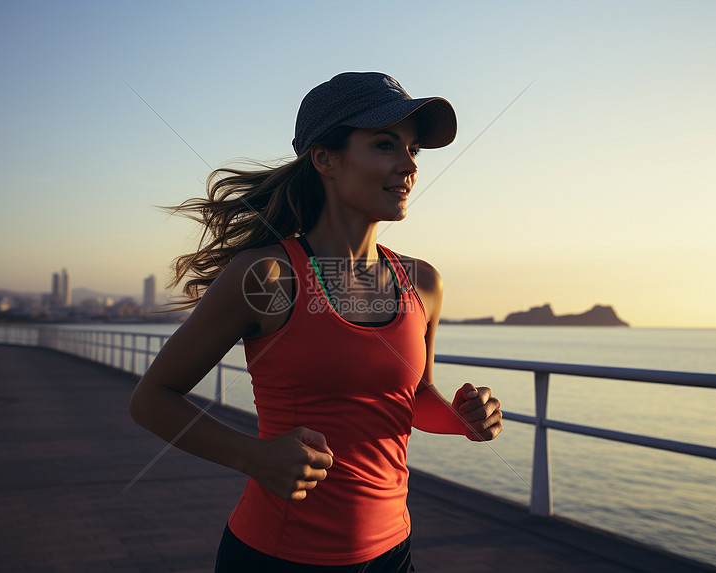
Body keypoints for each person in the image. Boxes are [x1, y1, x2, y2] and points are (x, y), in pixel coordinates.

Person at [129, 71, 503, 572]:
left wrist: (461, 420)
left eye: (413, 150)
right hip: (279, 557)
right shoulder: (267, 276)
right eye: (386, 145)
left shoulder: (423, 283)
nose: (408, 165)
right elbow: (151, 399)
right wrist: (252, 457)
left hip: (393, 552)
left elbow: (411, 399)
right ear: (325, 159)